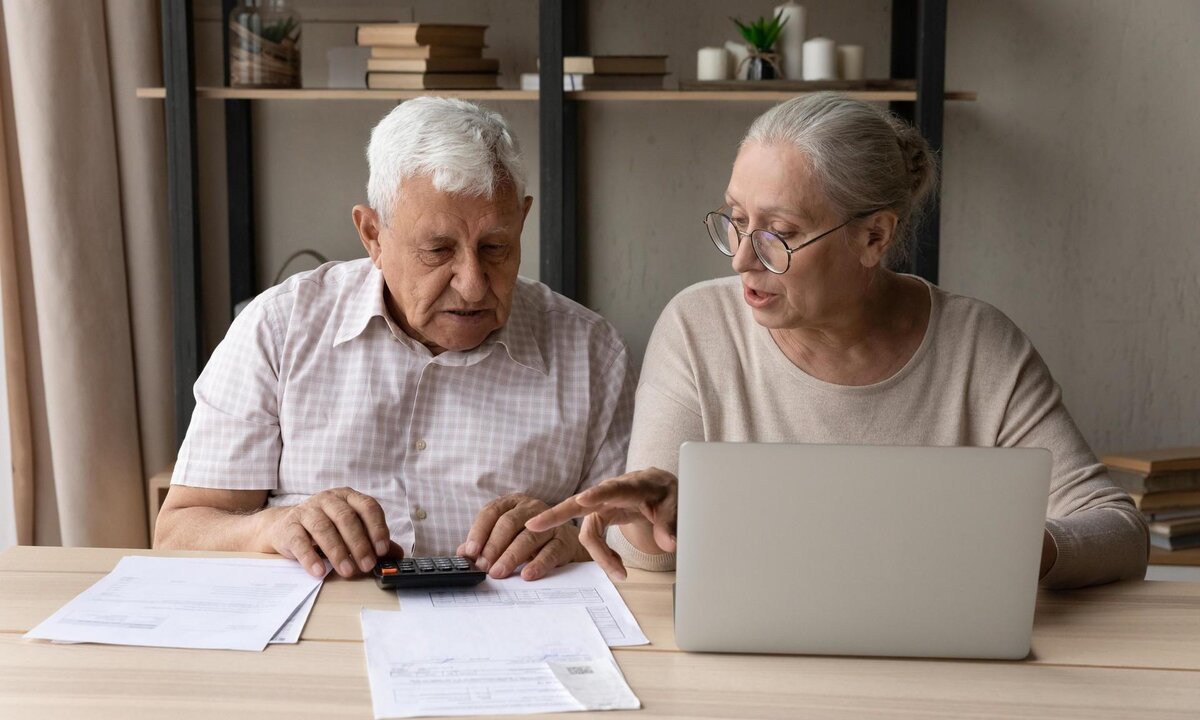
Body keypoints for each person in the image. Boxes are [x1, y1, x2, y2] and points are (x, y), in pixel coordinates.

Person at [529, 92, 1148, 590]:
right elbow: (654, 562)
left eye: (779, 233)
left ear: (874, 237)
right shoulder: (699, 326)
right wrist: (653, 522)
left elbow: (1120, 530)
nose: (743, 258)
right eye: (737, 221)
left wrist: (1012, 551)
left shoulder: (979, 346)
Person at [155, 98, 635, 582]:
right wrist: (271, 528)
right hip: (319, 641)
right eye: (437, 250)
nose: (472, 283)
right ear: (372, 235)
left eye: (495, 247)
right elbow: (179, 531)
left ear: (523, 222)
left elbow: (639, 544)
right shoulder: (280, 329)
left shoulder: (591, 354)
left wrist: (572, 542)